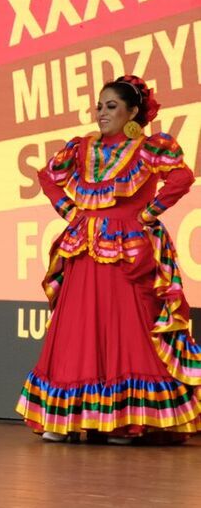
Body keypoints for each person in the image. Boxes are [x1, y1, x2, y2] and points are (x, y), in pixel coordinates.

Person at [17, 75, 201, 443]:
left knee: (126, 329)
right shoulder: (82, 148)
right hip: (85, 247)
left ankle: (125, 417)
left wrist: (148, 214)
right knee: (79, 329)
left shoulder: (149, 148)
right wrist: (71, 212)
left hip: (129, 249)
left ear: (133, 112)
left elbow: (181, 178)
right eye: (99, 106)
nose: (102, 113)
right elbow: (49, 177)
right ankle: (68, 416)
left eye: (111, 106)